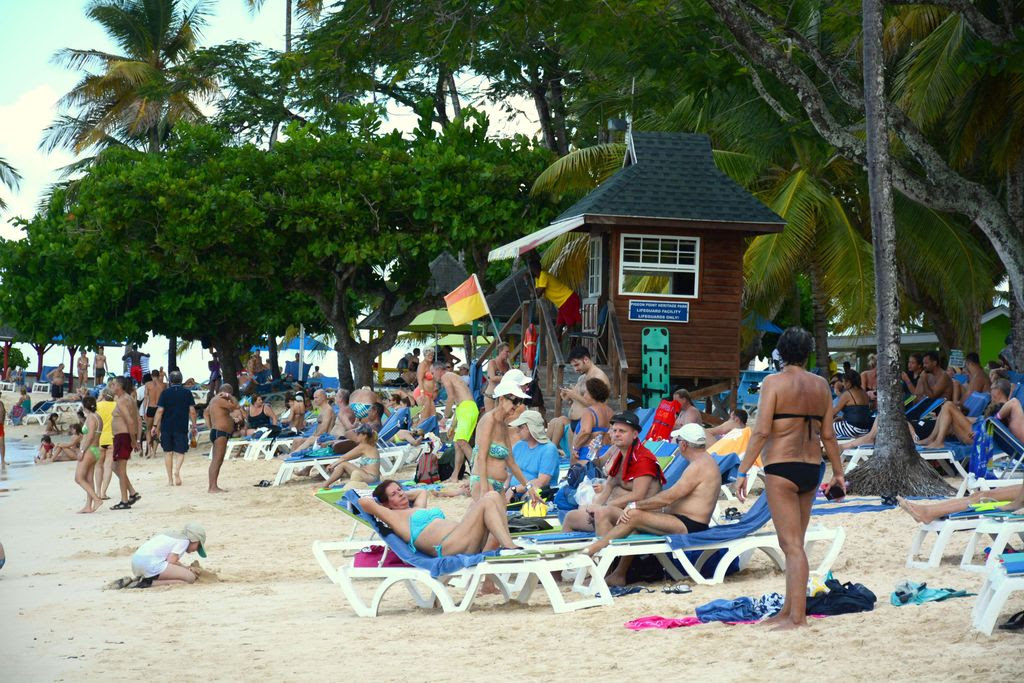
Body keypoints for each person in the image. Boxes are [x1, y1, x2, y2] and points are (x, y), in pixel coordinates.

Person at [734, 327, 844, 630]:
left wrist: (742, 471)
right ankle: (788, 609)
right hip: (811, 467)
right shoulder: (821, 385)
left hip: (782, 467)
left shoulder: (773, 382)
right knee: (795, 544)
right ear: (807, 353)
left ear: (781, 352)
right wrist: (838, 472)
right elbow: (828, 435)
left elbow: (761, 431)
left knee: (791, 545)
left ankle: (798, 617)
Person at [585, 423, 722, 584]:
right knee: (629, 521)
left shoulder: (699, 466)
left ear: (684, 444)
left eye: (677, 441)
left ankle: (593, 549)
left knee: (634, 515)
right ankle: (617, 574)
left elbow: (670, 496)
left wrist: (636, 505)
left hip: (689, 524)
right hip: (681, 520)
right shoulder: (702, 462)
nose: (677, 445)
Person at [562, 411, 666, 533]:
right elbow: (609, 486)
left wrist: (605, 506)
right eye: (614, 430)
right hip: (619, 512)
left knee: (602, 512)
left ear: (635, 434)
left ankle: (600, 550)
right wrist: (595, 506)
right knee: (570, 517)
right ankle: (565, 552)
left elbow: (639, 495)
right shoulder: (619, 456)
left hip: (642, 516)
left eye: (622, 431)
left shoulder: (643, 459)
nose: (616, 434)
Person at [361, 480, 520, 556]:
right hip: (449, 546)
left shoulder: (416, 509)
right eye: (393, 494)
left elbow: (421, 492)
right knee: (487, 500)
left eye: (400, 490)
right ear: (385, 503)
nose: (401, 494)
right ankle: (509, 546)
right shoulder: (394, 517)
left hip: (461, 537)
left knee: (491, 496)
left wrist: (399, 496)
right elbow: (364, 502)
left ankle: (500, 549)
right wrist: (382, 504)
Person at [470, 379, 532, 499]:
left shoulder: (503, 425)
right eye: (515, 401)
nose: (518, 405)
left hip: (499, 486)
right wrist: (484, 489)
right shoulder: (489, 420)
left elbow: (511, 463)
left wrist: (529, 487)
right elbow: (481, 457)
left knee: (502, 518)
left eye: (520, 401)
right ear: (502, 399)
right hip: (484, 483)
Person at [918, 378, 1014, 448]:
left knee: (948, 405)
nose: (990, 392)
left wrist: (981, 431)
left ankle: (938, 441)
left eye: (992, 389)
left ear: (998, 391)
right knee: (947, 410)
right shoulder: (999, 406)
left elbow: (997, 427)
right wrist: (960, 418)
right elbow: (985, 420)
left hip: (977, 437)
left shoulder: (1003, 407)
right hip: (974, 432)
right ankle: (932, 439)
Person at [546, 346, 610, 444]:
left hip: (587, 424)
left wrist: (574, 395)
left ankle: (550, 451)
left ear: (586, 359)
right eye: (573, 366)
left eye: (577, 365)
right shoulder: (582, 378)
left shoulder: (598, 377)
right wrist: (568, 398)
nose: (575, 369)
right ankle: (545, 450)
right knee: (555, 421)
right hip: (574, 421)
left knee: (574, 454)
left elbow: (600, 406)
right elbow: (577, 401)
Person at [121, 523, 207, 588]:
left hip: (136, 562)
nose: (196, 550)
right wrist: (187, 569)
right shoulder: (185, 540)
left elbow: (167, 560)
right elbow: (171, 561)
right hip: (150, 564)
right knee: (190, 578)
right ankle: (146, 583)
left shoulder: (170, 534)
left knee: (181, 577)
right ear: (194, 539)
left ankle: (139, 579)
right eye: (198, 546)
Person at [150, 370, 198, 487]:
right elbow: (192, 411)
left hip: (167, 426)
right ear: (181, 380)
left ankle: (170, 480)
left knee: (168, 453)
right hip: (181, 425)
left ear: (170, 381)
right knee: (180, 451)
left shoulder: (165, 393)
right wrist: (194, 424)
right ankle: (177, 470)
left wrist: (155, 426)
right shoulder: (187, 393)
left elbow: (160, 410)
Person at [507, 410, 561, 500]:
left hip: (536, 493)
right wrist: (503, 490)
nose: (517, 430)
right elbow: (509, 474)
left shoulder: (549, 449)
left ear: (531, 428)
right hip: (513, 492)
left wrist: (513, 489)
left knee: (533, 493)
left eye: (520, 427)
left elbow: (541, 482)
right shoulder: (519, 445)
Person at [527, 251, 581, 340]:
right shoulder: (538, 279)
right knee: (558, 326)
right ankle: (557, 349)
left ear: (533, 269)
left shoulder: (543, 275)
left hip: (567, 299)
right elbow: (534, 295)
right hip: (562, 303)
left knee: (570, 325)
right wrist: (527, 283)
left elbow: (538, 294)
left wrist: (528, 282)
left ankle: (574, 349)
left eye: (530, 269)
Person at [440, 365, 479, 483]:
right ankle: (454, 476)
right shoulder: (454, 378)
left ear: (438, 370)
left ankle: (479, 471)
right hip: (464, 409)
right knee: (458, 444)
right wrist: (452, 425)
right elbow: (458, 404)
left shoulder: (445, 376)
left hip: (467, 409)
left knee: (461, 441)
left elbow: (451, 397)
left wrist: (445, 417)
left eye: (432, 373)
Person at [110, 376, 141, 510]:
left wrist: (134, 441)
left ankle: (124, 500)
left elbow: (131, 421)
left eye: (114, 384)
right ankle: (132, 492)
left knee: (121, 470)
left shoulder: (123, 400)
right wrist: (136, 439)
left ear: (120, 386)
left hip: (123, 436)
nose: (112, 386)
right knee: (114, 467)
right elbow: (137, 419)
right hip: (123, 436)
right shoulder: (129, 399)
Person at [204, 384, 240, 493]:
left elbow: (206, 413)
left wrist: (211, 426)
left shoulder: (214, 401)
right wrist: (229, 396)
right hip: (220, 433)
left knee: (217, 460)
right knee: (217, 460)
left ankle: (213, 486)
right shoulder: (220, 399)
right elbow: (236, 406)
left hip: (217, 431)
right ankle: (212, 487)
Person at [570, 378, 613, 464]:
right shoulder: (610, 411)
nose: (584, 396)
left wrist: (575, 448)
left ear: (592, 393)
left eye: (586, 392)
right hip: (606, 451)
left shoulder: (589, 411)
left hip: (588, 453)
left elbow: (585, 432)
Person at [75, 395, 104, 514]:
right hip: (96, 450)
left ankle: (97, 500)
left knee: (78, 478)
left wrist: (82, 451)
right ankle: (88, 505)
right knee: (88, 478)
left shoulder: (91, 418)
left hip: (90, 450)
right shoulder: (98, 417)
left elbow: (90, 436)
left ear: (84, 406)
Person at [831, 370, 874, 440]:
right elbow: (858, 412)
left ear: (849, 382)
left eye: (844, 382)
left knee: (826, 427)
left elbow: (834, 412)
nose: (843, 384)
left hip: (853, 429)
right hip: (865, 428)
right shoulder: (863, 392)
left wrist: (821, 418)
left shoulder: (848, 394)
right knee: (836, 421)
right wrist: (842, 418)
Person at [94, 388, 116, 500]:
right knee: (108, 466)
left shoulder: (98, 405)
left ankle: (97, 492)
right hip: (112, 438)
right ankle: (103, 493)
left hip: (99, 438)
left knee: (98, 466)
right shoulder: (116, 405)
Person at [142, 370, 166, 458]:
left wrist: (144, 411)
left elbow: (145, 399)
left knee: (148, 430)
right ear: (158, 375)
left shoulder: (148, 385)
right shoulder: (163, 385)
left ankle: (149, 451)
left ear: (152, 376)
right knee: (157, 431)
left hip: (150, 408)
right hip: (159, 408)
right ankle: (154, 453)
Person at [484, 343, 511, 411]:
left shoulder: (507, 365)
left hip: (501, 396)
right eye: (506, 351)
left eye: (509, 352)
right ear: (500, 351)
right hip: (491, 395)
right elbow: (492, 378)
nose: (508, 354)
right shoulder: (492, 362)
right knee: (490, 418)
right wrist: (508, 377)